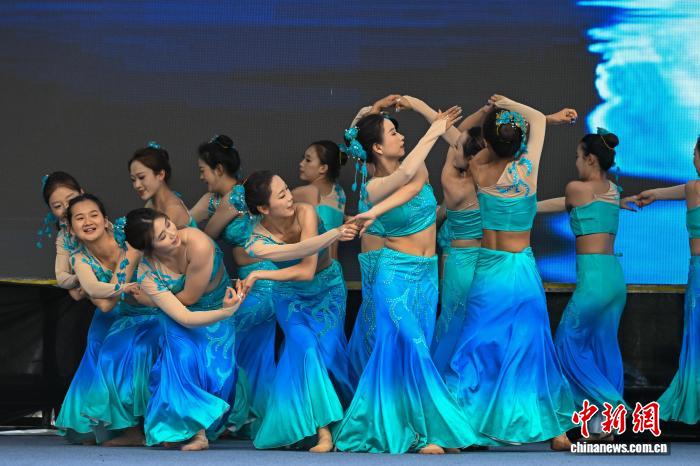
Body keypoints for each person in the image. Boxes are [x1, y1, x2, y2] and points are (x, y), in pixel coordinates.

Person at [333, 100, 477, 454]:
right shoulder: (372, 187)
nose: (401, 136)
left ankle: (409, 426)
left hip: (426, 276)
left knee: (412, 351)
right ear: (377, 148)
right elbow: (401, 177)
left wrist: (375, 214)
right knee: (414, 347)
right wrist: (433, 130)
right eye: (393, 132)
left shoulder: (418, 167)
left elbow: (412, 185)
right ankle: (434, 432)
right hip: (394, 275)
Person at [443, 95, 577, 449]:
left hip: (489, 268)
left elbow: (458, 137)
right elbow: (538, 120)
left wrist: (488, 112)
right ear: (519, 142)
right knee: (534, 346)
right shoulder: (527, 168)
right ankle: (557, 431)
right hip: (522, 268)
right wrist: (510, 103)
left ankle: (460, 425)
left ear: (487, 142)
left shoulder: (477, 166)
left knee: (475, 343)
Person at [238, 171, 358, 452]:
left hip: (327, 289)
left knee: (330, 355)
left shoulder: (306, 212)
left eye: (287, 189)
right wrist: (335, 233)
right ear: (263, 208)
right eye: (281, 195)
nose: (290, 197)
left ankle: (343, 419)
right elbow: (298, 270)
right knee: (306, 348)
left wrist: (259, 274)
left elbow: (307, 268)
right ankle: (323, 431)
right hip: (290, 297)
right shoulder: (256, 241)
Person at [538, 129, 630, 440]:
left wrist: (522, 206)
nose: (576, 162)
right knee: (605, 346)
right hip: (614, 278)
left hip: (593, 280)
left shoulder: (575, 188)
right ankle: (604, 426)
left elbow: (566, 202)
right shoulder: (614, 190)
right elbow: (566, 204)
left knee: (567, 342)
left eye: (578, 157)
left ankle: (612, 405)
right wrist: (529, 207)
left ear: (590, 159)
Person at [125, 208, 242, 450]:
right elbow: (185, 316)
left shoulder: (199, 244)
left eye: (168, 224)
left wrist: (155, 300)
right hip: (183, 316)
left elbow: (190, 298)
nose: (172, 234)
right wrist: (161, 302)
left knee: (218, 375)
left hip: (215, 309)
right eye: (161, 236)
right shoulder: (147, 272)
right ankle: (196, 433)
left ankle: (189, 424)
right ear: (149, 249)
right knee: (182, 356)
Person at [625, 136, 700, 425]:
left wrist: (656, 193)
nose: (692, 159)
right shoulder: (692, 188)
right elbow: (685, 188)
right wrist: (657, 193)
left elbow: (688, 188)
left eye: (695, 153)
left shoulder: (694, 189)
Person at [128, 142, 195, 228]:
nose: (137, 185)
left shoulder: (173, 210)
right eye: (133, 180)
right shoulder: (151, 204)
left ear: (160, 174)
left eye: (141, 177)